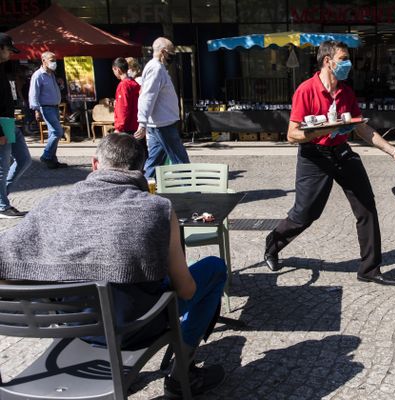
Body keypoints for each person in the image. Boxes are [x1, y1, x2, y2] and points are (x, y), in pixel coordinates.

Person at [0, 133, 228, 398]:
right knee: (214, 267)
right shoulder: (158, 209)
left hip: (76, 329)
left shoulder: (53, 205)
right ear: (142, 169)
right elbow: (186, 290)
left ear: (95, 164)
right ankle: (181, 374)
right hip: (136, 328)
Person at [264, 40, 395, 286]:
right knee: (305, 213)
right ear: (327, 61)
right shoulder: (306, 90)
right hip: (314, 155)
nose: (348, 64)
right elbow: (292, 135)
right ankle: (272, 245)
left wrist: (393, 151)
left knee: (367, 207)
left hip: (341, 151)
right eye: (343, 59)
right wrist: (319, 131)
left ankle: (369, 269)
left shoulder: (346, 92)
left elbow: (362, 128)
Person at [134, 37, 189, 178]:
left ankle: (143, 188)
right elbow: (147, 95)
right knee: (180, 161)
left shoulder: (156, 67)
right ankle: (190, 194)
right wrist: (142, 121)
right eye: (171, 53)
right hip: (163, 124)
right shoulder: (156, 68)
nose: (172, 56)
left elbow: (147, 95)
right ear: (163, 52)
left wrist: (144, 121)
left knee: (155, 162)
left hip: (158, 123)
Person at [0, 32, 31, 218]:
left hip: (10, 122)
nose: (11, 53)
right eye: (8, 49)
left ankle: (1, 196)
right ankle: (2, 206)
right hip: (2, 124)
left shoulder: (4, 68)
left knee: (24, 160)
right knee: (2, 167)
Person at [28, 51, 67, 169]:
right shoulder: (38, 75)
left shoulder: (51, 75)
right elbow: (33, 94)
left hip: (54, 107)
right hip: (45, 108)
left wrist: (61, 85)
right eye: (52, 60)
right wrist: (36, 110)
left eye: (55, 60)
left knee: (52, 134)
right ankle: (46, 156)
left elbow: (53, 91)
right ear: (43, 61)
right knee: (57, 132)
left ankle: (52, 160)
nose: (54, 63)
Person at [112, 57, 140, 134]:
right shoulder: (134, 83)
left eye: (113, 70)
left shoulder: (123, 85)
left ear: (117, 69)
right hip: (137, 125)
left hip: (127, 128)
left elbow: (123, 108)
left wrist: (119, 128)